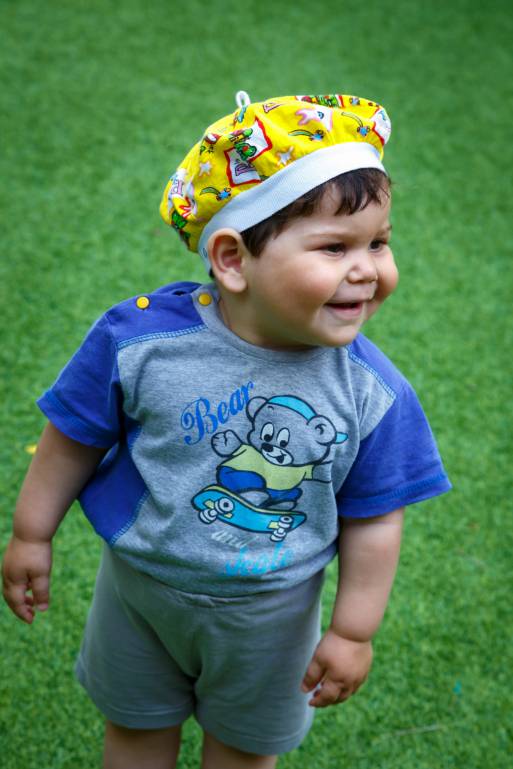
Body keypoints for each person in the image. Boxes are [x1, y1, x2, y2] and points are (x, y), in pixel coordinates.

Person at [2, 91, 451, 769]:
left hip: (272, 614)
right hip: (138, 591)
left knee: (242, 752)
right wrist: (32, 533)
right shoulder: (141, 342)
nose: (366, 269)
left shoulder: (372, 392)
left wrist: (353, 632)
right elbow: (74, 434)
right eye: (335, 247)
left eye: (378, 243)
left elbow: (376, 516)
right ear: (233, 259)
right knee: (135, 732)